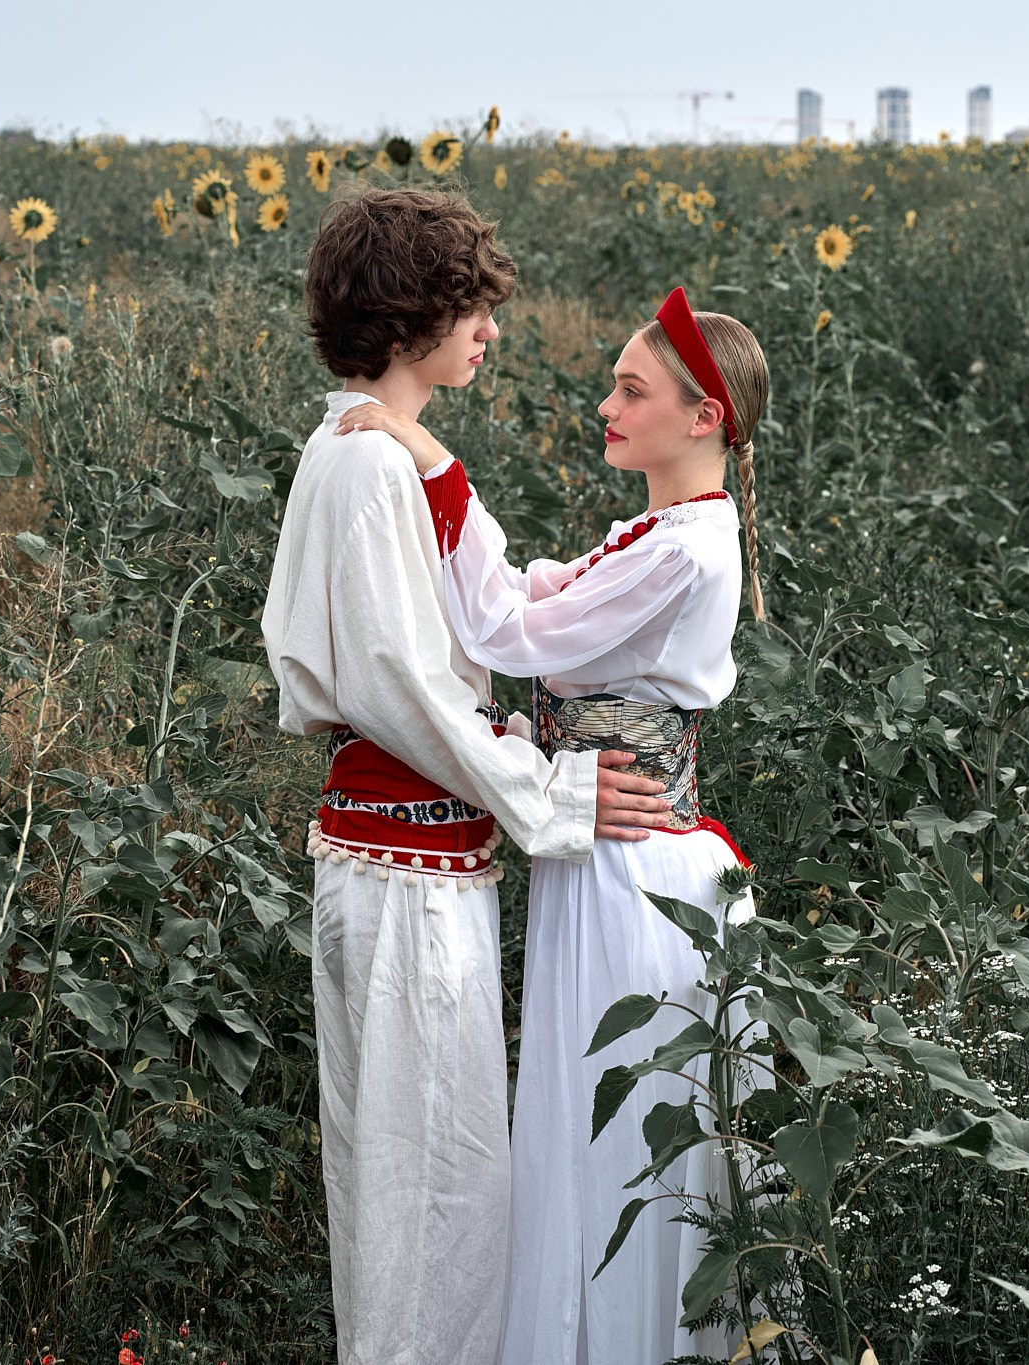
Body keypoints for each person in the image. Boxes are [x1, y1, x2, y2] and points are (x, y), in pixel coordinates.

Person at [261, 187, 675, 1365]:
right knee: (427, 1201)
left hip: (405, 864)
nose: (489, 329)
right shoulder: (361, 468)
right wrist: (555, 793)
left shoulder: (365, 451)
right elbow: (405, 687)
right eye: (469, 308)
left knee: (422, 1189)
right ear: (406, 322)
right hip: (401, 874)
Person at [333, 286, 770, 1365]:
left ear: (704, 415)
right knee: (589, 1144)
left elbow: (511, 627)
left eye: (632, 390)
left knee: (615, 1154)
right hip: (606, 858)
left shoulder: (686, 549)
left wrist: (431, 461)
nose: (606, 406)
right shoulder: (661, 533)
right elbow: (535, 601)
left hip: (637, 878)